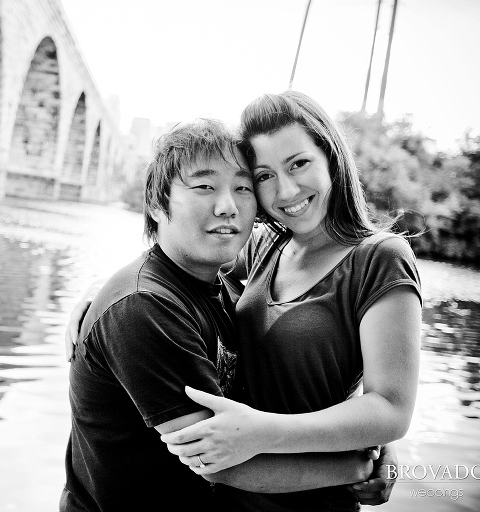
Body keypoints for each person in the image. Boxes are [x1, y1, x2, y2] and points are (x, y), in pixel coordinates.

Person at [61, 118, 389, 512]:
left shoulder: (222, 287)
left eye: (243, 188)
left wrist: (371, 440)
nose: (227, 206)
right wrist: (358, 467)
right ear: (156, 202)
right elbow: (217, 461)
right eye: (204, 187)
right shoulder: (144, 308)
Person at [159, 91, 422, 511]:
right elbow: (179, 268)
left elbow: (391, 409)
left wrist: (267, 431)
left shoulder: (379, 257)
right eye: (264, 176)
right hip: (230, 496)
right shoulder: (265, 246)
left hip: (313, 499)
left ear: (331, 158)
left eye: (298, 164)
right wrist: (103, 296)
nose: (286, 190)